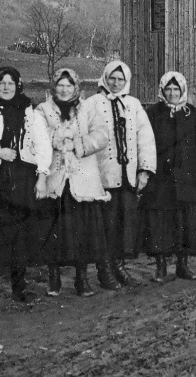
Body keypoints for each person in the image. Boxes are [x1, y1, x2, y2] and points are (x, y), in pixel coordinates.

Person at [0, 66, 52, 313]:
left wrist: (42, 176)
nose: (6, 87)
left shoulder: (29, 111)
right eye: (1, 83)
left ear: (18, 86)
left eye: (11, 83)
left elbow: (42, 144)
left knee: (19, 235)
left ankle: (19, 287)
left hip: (20, 179)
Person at [35, 68, 118, 297]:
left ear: (76, 87)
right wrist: (57, 139)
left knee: (82, 232)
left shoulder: (88, 108)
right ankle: (54, 279)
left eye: (69, 85)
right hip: (56, 178)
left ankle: (82, 279)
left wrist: (79, 144)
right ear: (54, 87)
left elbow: (102, 135)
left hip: (83, 178)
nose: (64, 89)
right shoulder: (43, 110)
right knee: (55, 232)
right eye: (60, 85)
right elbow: (36, 136)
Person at [141, 71, 196, 281]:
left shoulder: (193, 114)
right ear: (163, 90)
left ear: (182, 90)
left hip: (188, 178)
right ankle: (161, 267)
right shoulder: (153, 113)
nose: (173, 93)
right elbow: (145, 144)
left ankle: (183, 265)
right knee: (161, 222)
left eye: (176, 89)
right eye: (169, 89)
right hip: (161, 179)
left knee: (185, 222)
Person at [86, 60, 157, 286]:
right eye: (112, 78)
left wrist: (144, 171)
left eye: (121, 79)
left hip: (127, 176)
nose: (116, 83)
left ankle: (118, 265)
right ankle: (104, 269)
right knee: (104, 225)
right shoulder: (92, 103)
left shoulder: (134, 105)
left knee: (124, 223)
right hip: (103, 177)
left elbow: (145, 138)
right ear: (105, 78)